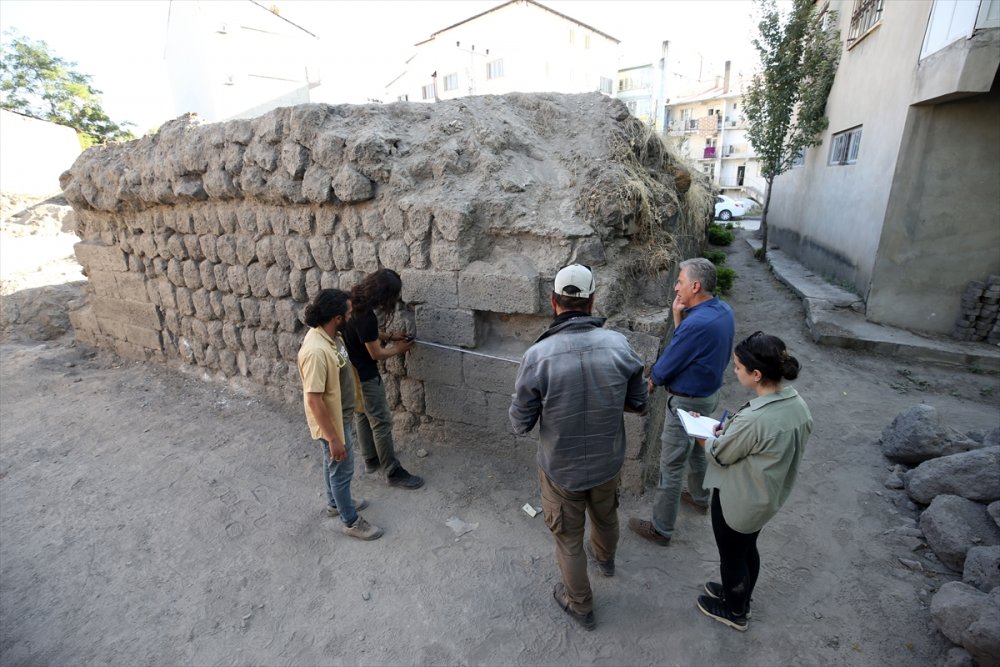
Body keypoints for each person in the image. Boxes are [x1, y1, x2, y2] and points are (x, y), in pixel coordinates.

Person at [509, 264, 649, 631]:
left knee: (569, 539)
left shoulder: (537, 356)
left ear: (553, 302)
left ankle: (581, 606)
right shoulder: (620, 345)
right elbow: (638, 403)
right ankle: (606, 560)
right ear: (592, 302)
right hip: (607, 461)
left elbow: (520, 422)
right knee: (606, 515)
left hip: (561, 469)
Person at [695, 332, 812, 631]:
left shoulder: (756, 419)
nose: (734, 371)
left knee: (731, 556)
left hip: (740, 499)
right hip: (765, 496)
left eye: (737, 367)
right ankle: (742, 595)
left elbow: (720, 455)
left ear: (756, 374)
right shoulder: (796, 404)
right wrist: (732, 430)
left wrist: (701, 437)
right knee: (747, 549)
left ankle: (734, 611)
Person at [629, 257, 735, 546]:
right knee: (698, 450)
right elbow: (689, 346)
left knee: (672, 465)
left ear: (696, 285)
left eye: (680, 281)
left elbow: (670, 361)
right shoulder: (722, 310)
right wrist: (679, 319)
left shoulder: (696, 324)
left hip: (687, 402)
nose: (676, 287)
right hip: (707, 396)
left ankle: (661, 529)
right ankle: (701, 499)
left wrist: (649, 384)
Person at [298, 288, 383, 541]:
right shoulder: (315, 351)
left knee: (332, 464)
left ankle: (335, 504)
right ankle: (351, 521)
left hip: (340, 415)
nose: (351, 316)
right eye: (347, 313)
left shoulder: (331, 337)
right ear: (336, 318)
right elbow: (313, 400)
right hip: (332, 422)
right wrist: (334, 439)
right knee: (342, 470)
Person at [343, 269, 424, 489]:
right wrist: (398, 348)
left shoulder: (352, 302)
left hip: (351, 371)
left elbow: (365, 335)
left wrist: (389, 336)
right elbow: (376, 353)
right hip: (366, 376)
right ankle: (392, 471)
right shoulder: (367, 317)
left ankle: (370, 459)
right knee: (381, 422)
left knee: (361, 414)